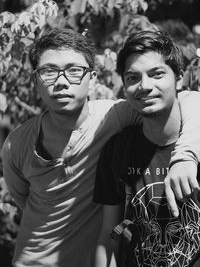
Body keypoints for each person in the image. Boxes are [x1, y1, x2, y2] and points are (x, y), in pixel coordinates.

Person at [2, 28, 200, 267]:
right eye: (48, 71)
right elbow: (23, 200)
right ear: (35, 80)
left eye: (74, 71)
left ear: (93, 78)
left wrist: (185, 156)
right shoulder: (17, 143)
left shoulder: (113, 116)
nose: (62, 82)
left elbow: (185, 100)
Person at [94, 30, 200, 267]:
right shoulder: (117, 150)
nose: (144, 86)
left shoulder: (195, 141)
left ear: (179, 79)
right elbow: (110, 235)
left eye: (157, 74)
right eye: (133, 78)